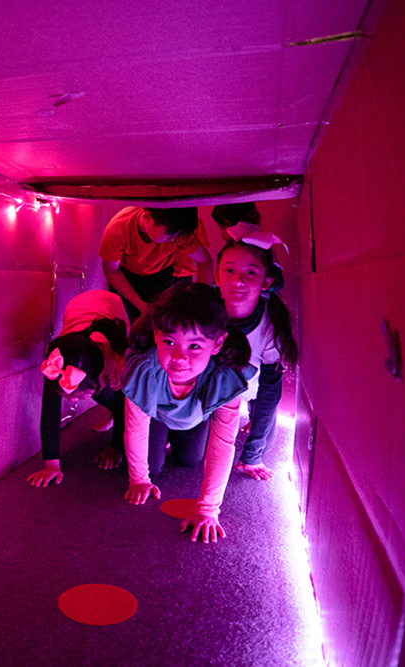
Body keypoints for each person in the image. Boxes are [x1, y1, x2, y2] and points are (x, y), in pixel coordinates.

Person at [120, 282, 253, 543]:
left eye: (194, 346)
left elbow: (224, 442)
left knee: (190, 459)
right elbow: (135, 427)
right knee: (154, 469)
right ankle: (161, 440)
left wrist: (208, 509)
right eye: (169, 342)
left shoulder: (223, 376)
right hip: (156, 414)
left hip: (195, 416)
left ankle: (179, 437)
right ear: (157, 335)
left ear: (217, 344)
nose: (179, 358)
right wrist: (139, 479)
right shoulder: (146, 370)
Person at [214, 224, 299, 482]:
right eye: (229, 270)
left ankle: (252, 427)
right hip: (213, 389)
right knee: (190, 455)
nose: (238, 280)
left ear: (266, 282)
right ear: (216, 277)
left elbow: (269, 391)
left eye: (250, 273)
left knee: (265, 436)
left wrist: (253, 454)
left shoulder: (269, 326)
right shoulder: (205, 314)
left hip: (251, 388)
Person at [27, 290, 130, 488]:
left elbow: (125, 401)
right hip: (78, 309)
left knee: (116, 391)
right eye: (71, 396)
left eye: (77, 395)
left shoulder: (117, 357)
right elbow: (50, 412)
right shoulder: (57, 365)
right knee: (95, 391)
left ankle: (112, 413)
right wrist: (51, 464)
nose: (72, 401)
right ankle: (110, 409)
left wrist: (115, 447)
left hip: (111, 306)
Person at [98, 206, 212, 322]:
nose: (173, 240)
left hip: (163, 274)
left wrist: (201, 303)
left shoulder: (175, 231)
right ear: (147, 218)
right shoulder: (118, 230)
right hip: (126, 278)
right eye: (169, 236)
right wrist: (141, 305)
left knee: (163, 323)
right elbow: (111, 271)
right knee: (127, 323)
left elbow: (204, 261)